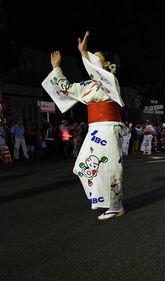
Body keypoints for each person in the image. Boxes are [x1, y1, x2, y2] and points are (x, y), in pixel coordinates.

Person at [42, 31, 125, 220]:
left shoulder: (110, 81)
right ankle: (100, 198)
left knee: (111, 166)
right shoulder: (89, 85)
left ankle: (116, 205)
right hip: (95, 128)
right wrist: (57, 68)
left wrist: (84, 53)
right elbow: (66, 89)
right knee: (82, 165)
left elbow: (96, 69)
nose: (93, 60)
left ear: (106, 65)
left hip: (109, 126)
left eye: (98, 58)